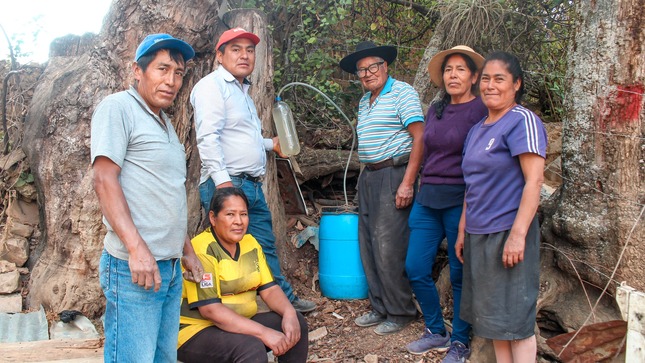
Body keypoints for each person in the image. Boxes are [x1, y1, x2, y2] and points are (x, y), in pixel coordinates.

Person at [91, 33, 204, 362]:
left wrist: (187, 251)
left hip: (167, 268)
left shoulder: (165, 122)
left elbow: (165, 193)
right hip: (133, 267)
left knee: (163, 357)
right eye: (162, 69)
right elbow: (104, 179)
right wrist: (137, 249)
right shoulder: (118, 108)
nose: (171, 81)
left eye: (178, 73)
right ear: (137, 71)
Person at [190, 27, 315, 313]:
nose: (244, 55)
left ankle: (283, 304)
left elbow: (238, 137)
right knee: (222, 251)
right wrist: (223, 186)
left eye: (249, 50)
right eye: (236, 49)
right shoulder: (212, 87)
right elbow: (207, 138)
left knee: (263, 248)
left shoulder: (242, 92)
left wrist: (270, 144)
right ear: (220, 56)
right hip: (227, 183)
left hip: (251, 186)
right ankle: (219, 310)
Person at [456, 51, 547, 363]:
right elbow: (472, 184)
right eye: (485, 79)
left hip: (508, 232)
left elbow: (534, 182)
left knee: (516, 324)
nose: (490, 85)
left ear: (516, 84)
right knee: (493, 321)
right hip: (478, 234)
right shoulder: (477, 129)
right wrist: (462, 231)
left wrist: (518, 236)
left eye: (499, 79)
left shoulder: (522, 121)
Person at [404, 46, 487, 361]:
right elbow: (425, 149)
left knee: (459, 273)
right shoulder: (435, 109)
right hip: (429, 197)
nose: (453, 75)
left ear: (474, 77)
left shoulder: (480, 110)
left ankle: (461, 342)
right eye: (449, 70)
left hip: (461, 199)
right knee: (414, 266)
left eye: (461, 70)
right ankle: (437, 330)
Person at [339, 41, 424, 335]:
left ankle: (401, 311)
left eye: (372, 66)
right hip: (369, 176)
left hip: (394, 173)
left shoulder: (402, 92)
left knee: (388, 245)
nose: (366, 73)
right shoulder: (365, 101)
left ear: (385, 67)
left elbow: (420, 138)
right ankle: (380, 307)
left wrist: (408, 183)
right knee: (369, 243)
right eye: (361, 70)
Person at [177, 187, 308, 362]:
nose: (238, 221)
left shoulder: (250, 243)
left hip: (240, 322)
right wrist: (264, 333)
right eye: (230, 214)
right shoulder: (202, 249)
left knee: (296, 324)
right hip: (196, 330)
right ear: (213, 218)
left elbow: (269, 290)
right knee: (250, 348)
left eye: (243, 214)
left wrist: (289, 313)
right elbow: (211, 311)